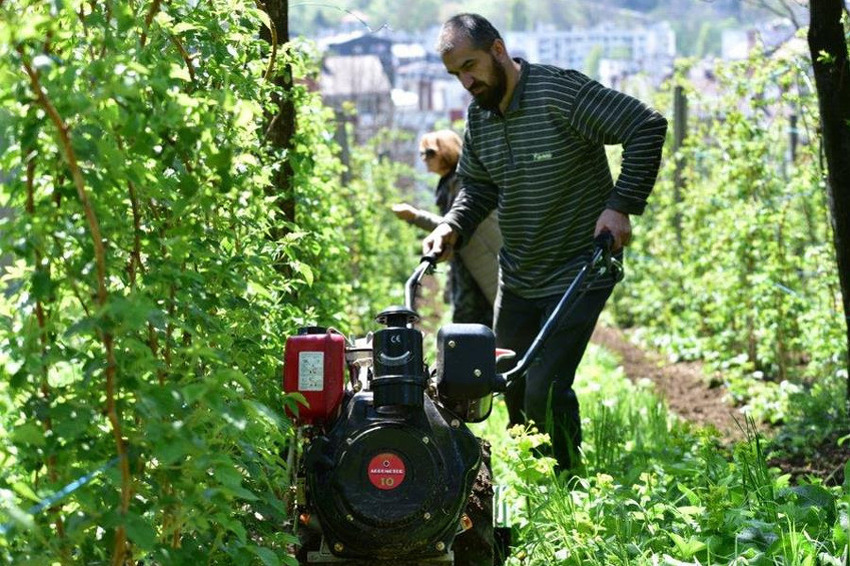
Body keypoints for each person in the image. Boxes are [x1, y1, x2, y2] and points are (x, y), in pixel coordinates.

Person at [422, 13, 668, 473]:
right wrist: (452, 225)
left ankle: (569, 486)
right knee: (508, 383)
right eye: (457, 74)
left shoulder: (558, 93)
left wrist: (621, 206)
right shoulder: (480, 117)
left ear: (498, 49)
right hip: (518, 274)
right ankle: (539, 483)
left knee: (545, 388)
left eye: (471, 66)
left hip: (580, 267)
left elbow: (645, 125)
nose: (467, 81)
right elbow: (477, 187)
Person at [392, 130, 501, 327]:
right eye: (422, 154)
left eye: (431, 153)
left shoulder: (463, 183)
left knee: (472, 329)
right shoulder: (450, 183)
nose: (425, 159)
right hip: (468, 267)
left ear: (448, 151)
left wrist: (415, 217)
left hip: (481, 267)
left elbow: (457, 226)